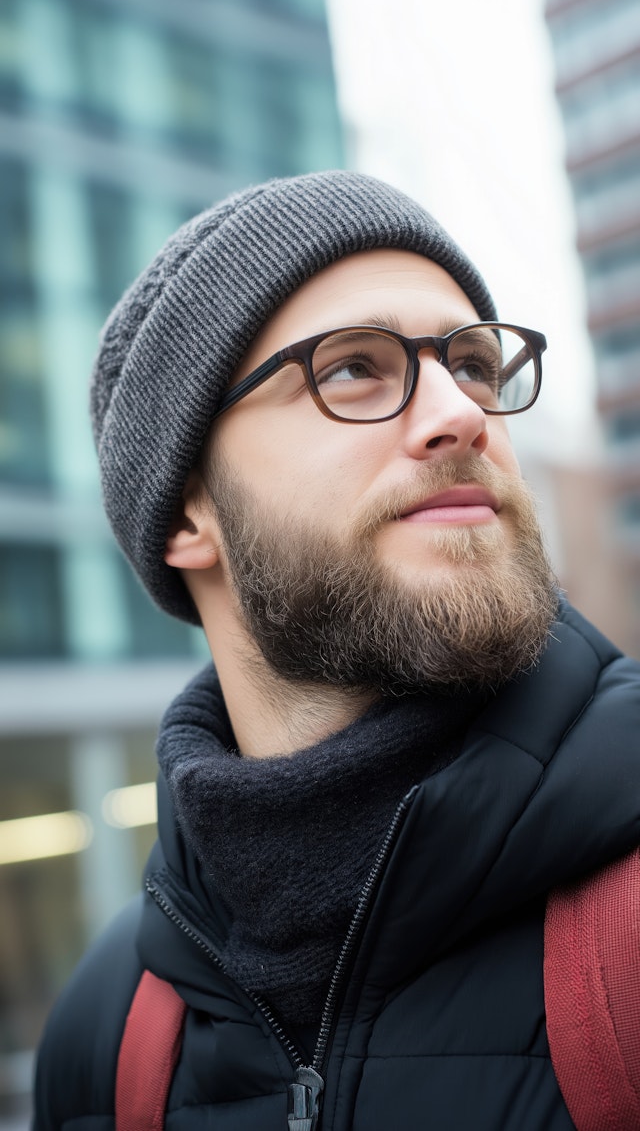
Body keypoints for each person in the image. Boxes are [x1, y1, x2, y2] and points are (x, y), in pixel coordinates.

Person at [33, 171, 640, 1131]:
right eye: (354, 367)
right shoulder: (108, 1037)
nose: (463, 413)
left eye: (474, 365)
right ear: (189, 510)